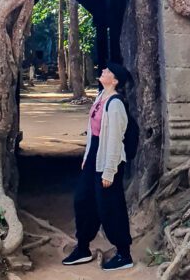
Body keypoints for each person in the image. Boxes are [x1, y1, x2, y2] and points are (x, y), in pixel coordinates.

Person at [62, 61, 133, 271]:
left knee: (110, 206)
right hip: (94, 157)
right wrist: (87, 157)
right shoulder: (101, 97)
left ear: (116, 80)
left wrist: (109, 170)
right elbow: (93, 132)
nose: (103, 71)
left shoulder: (116, 104)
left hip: (109, 159)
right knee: (83, 200)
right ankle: (83, 247)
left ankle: (124, 253)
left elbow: (114, 140)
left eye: (108, 71)